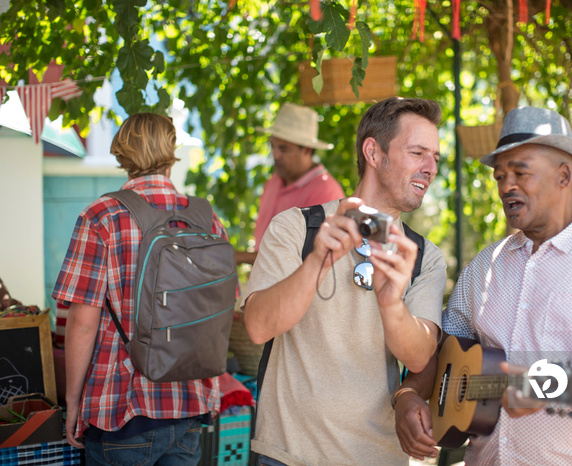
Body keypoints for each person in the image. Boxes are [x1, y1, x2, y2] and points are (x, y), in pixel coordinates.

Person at [394, 106, 572, 465]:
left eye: (520, 172)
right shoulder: (485, 266)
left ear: (564, 176)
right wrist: (408, 395)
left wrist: (542, 386)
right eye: (500, 176)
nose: (507, 186)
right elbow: (439, 347)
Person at [242, 97, 448, 465]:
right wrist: (318, 261)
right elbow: (257, 327)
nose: (430, 168)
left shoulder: (424, 256)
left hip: (377, 457)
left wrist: (391, 303)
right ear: (373, 152)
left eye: (435, 157)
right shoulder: (296, 227)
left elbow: (419, 356)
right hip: (287, 455)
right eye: (418, 153)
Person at [53, 113, 232, 465]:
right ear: (171, 151)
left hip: (123, 408)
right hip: (190, 403)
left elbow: (83, 322)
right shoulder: (206, 218)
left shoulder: (102, 216)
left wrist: (73, 401)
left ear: (122, 153)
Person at [236, 103, 345, 264]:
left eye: (284, 149)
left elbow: (306, 258)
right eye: (272, 146)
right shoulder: (275, 179)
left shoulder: (326, 193)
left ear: (307, 150)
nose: (275, 155)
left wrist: (238, 257)